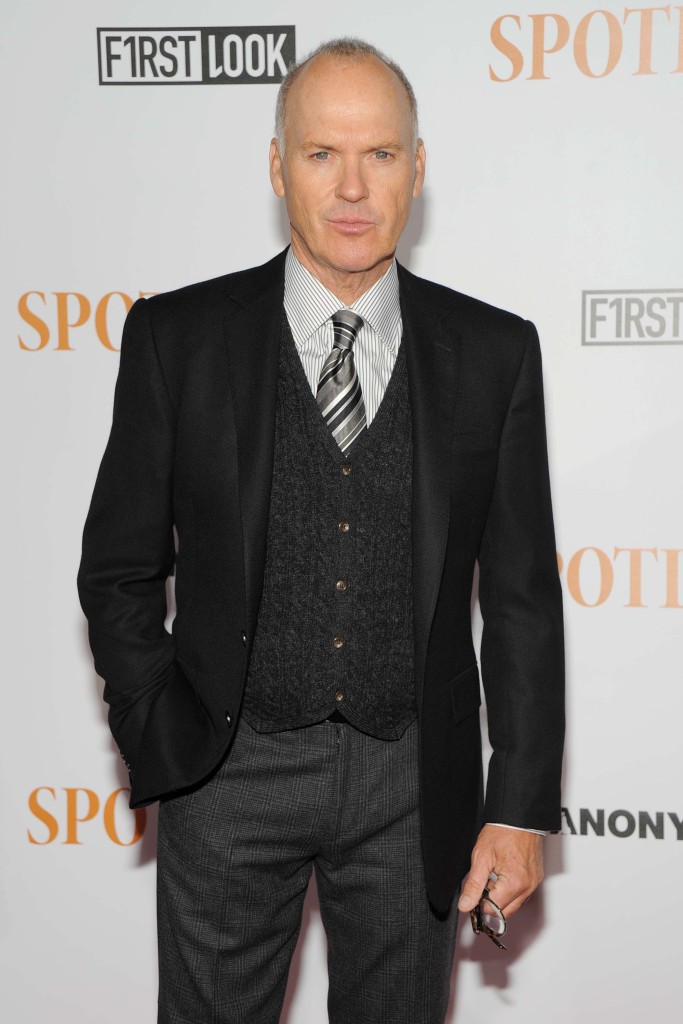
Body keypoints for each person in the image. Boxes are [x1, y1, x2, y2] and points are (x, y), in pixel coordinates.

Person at [77, 37, 564, 1024]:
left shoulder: (492, 352)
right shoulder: (178, 338)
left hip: (410, 786)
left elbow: (520, 601)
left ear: (416, 170)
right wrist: (157, 727)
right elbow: (118, 569)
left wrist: (516, 805)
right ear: (276, 167)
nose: (351, 187)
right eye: (320, 154)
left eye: (379, 154)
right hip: (226, 774)